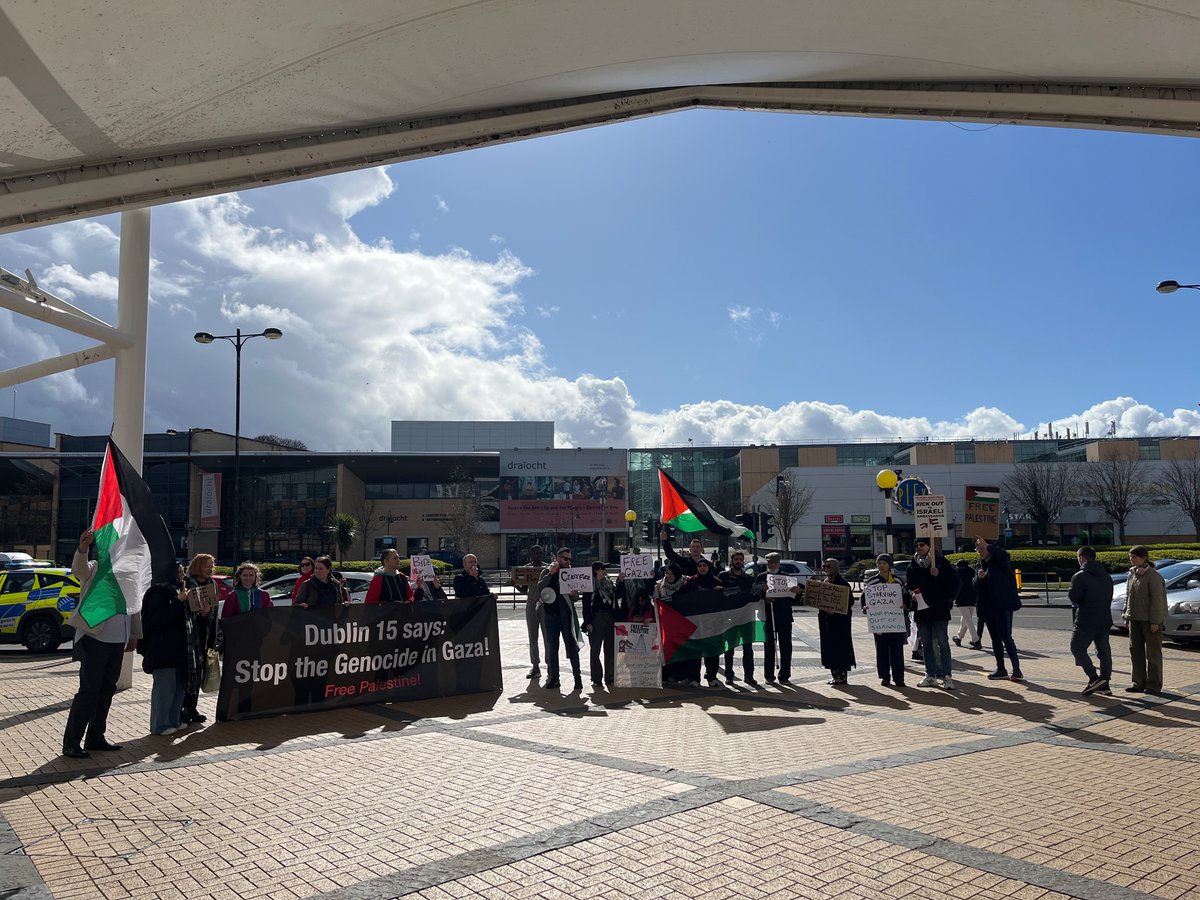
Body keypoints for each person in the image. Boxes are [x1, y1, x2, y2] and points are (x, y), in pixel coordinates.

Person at [62, 530, 141, 757]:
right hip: (94, 637)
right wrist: (83, 548)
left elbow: (134, 607)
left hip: (118, 640)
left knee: (107, 689)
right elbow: (79, 570)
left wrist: (134, 634)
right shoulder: (96, 568)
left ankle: (96, 737)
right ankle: (72, 742)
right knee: (89, 690)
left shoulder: (129, 575)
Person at [140, 565, 191, 736]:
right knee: (165, 687)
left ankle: (173, 719)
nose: (181, 575)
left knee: (179, 686)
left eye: (182, 572)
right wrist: (178, 601)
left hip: (181, 648)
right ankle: (160, 724)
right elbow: (158, 619)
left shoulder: (179, 589)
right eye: (178, 572)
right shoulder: (157, 592)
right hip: (163, 649)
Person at [907, 538, 958, 689]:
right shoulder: (912, 566)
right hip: (922, 611)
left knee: (943, 643)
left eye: (922, 545)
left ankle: (946, 676)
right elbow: (910, 586)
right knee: (927, 644)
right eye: (916, 545)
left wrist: (939, 574)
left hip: (939, 610)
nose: (918, 548)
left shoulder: (941, 563)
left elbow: (952, 583)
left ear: (929, 547)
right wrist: (912, 595)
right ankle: (930, 675)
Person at [974, 537, 1024, 681]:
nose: (980, 552)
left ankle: (1016, 670)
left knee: (1006, 637)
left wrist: (988, 546)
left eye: (982, 549)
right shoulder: (980, 565)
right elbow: (975, 586)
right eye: (978, 549)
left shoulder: (1000, 561)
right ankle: (1001, 669)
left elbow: (1004, 554)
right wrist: (979, 579)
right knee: (995, 639)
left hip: (1002, 606)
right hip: (987, 607)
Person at [535, 547, 583, 691]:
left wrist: (574, 594)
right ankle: (554, 678)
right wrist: (550, 573)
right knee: (552, 649)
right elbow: (540, 588)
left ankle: (577, 678)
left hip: (565, 616)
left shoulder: (571, 572)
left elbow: (576, 597)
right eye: (565, 558)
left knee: (572, 647)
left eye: (570, 559)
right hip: (550, 616)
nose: (568, 562)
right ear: (557, 558)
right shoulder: (547, 571)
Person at [1068, 546, 1114, 696]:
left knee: (1077, 647)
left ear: (1082, 558)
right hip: (1104, 619)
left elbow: (1075, 597)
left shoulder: (1079, 576)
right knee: (1104, 651)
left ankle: (1093, 678)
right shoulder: (1106, 576)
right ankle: (1105, 683)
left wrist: (1071, 590)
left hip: (1085, 619)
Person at [181, 553, 221, 725]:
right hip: (191, 635)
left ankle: (193, 707)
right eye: (207, 566)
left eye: (211, 566)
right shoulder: (188, 583)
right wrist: (201, 613)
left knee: (200, 673)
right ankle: (183, 708)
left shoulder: (212, 583)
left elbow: (214, 608)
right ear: (198, 566)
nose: (210, 569)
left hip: (207, 633)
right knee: (190, 673)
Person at [1123, 545, 1167, 695]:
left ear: (1144, 558)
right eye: (1130, 557)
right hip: (1134, 618)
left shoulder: (1154, 576)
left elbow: (1157, 600)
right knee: (1135, 652)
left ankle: (1154, 684)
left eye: (1134, 557)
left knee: (1153, 653)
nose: (1131, 559)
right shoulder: (1131, 575)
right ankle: (1138, 682)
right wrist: (1126, 616)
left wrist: (1155, 621)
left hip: (1150, 620)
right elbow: (1127, 597)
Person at [863, 554, 912, 688]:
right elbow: (864, 598)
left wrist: (905, 606)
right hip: (880, 623)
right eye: (879, 563)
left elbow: (906, 596)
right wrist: (866, 607)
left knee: (897, 651)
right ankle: (885, 676)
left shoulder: (897, 581)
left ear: (889, 565)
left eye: (884, 563)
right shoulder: (872, 582)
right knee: (882, 651)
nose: (881, 566)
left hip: (896, 622)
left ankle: (899, 678)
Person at [754, 552, 800, 684]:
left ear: (779, 563)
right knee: (769, 646)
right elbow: (755, 596)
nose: (772, 565)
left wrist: (797, 592)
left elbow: (795, 599)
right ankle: (769, 675)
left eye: (775, 562)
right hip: (768, 617)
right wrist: (764, 596)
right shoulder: (761, 578)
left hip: (784, 616)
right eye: (770, 562)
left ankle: (784, 675)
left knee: (786, 646)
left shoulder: (786, 577)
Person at [680, 558, 723, 687]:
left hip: (712, 623)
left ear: (709, 567)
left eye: (705, 565)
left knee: (712, 650)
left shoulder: (717, 582)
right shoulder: (691, 582)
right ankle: (694, 678)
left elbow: (725, 600)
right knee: (695, 650)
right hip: (696, 622)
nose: (702, 568)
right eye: (700, 566)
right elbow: (681, 596)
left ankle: (712, 677)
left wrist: (719, 592)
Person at [718, 550, 757, 686]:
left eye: (741, 559)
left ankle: (749, 676)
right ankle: (729, 675)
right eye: (736, 559)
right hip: (729, 618)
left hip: (746, 618)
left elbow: (754, 596)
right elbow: (717, 593)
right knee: (729, 648)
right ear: (732, 561)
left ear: (743, 562)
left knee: (748, 648)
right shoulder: (723, 577)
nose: (738, 561)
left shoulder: (749, 579)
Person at [655, 563, 697, 686]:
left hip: (683, 622)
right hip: (667, 624)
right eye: (667, 573)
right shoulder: (659, 585)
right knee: (669, 649)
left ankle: (685, 675)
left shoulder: (686, 583)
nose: (669, 576)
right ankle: (669, 676)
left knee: (684, 649)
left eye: (672, 573)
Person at [818, 559, 855, 685]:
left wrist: (835, 610)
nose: (826, 568)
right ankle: (835, 674)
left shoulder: (842, 583)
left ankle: (842, 675)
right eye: (824, 566)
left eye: (828, 566)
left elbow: (849, 602)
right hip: (827, 621)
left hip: (840, 623)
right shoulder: (824, 582)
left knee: (841, 647)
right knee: (830, 647)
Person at [582, 561, 619, 687]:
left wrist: (620, 582)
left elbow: (617, 595)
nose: (605, 571)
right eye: (603, 568)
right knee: (595, 650)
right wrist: (587, 622)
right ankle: (597, 677)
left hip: (610, 618)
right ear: (596, 571)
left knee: (610, 649)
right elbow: (586, 605)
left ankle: (610, 677)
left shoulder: (609, 583)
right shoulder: (590, 585)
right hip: (596, 619)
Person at [522, 545, 548, 680]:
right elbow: (522, 589)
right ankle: (535, 666)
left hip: (545, 604)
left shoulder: (548, 569)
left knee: (547, 637)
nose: (539, 555)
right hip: (532, 603)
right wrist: (515, 583)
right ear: (531, 554)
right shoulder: (527, 569)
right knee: (533, 636)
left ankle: (550, 665)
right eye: (536, 553)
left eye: (540, 552)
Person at [951, 559, 981, 649]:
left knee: (968, 621)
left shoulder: (957, 573)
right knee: (966, 619)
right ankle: (959, 638)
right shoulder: (972, 572)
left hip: (962, 600)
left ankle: (976, 640)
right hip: (972, 599)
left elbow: (954, 586)